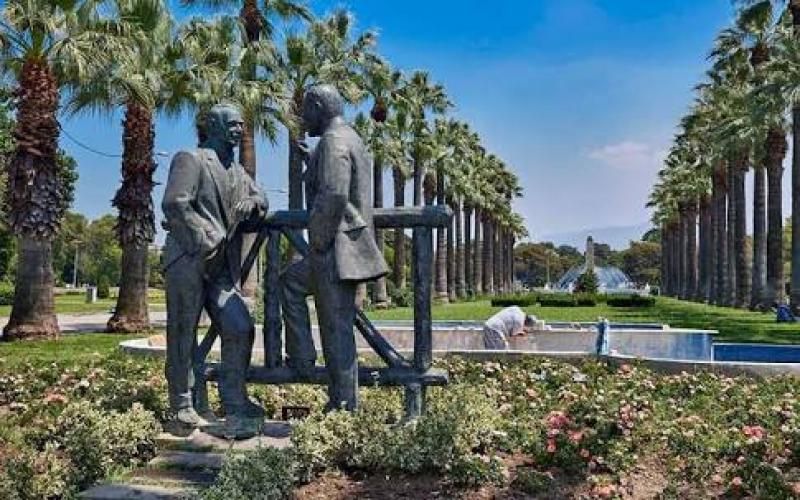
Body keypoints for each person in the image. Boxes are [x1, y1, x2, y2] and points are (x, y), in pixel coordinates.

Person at [279, 84, 389, 411]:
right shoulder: (348, 137)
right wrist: (312, 160)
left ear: (317, 107)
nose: (303, 118)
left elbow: (335, 194)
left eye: (305, 110)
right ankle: (305, 358)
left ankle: (342, 406)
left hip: (335, 248)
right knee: (292, 283)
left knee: (336, 328)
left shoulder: (332, 141)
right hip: (345, 244)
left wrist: (317, 240)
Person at [161, 103, 267, 434]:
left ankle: (234, 399)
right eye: (232, 124)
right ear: (213, 126)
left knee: (239, 326)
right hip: (188, 259)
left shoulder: (238, 172)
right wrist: (206, 237)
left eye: (241, 125)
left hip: (220, 268)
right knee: (183, 332)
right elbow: (174, 203)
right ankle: (182, 404)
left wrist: (254, 204)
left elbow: (262, 199)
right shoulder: (190, 159)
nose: (239, 130)